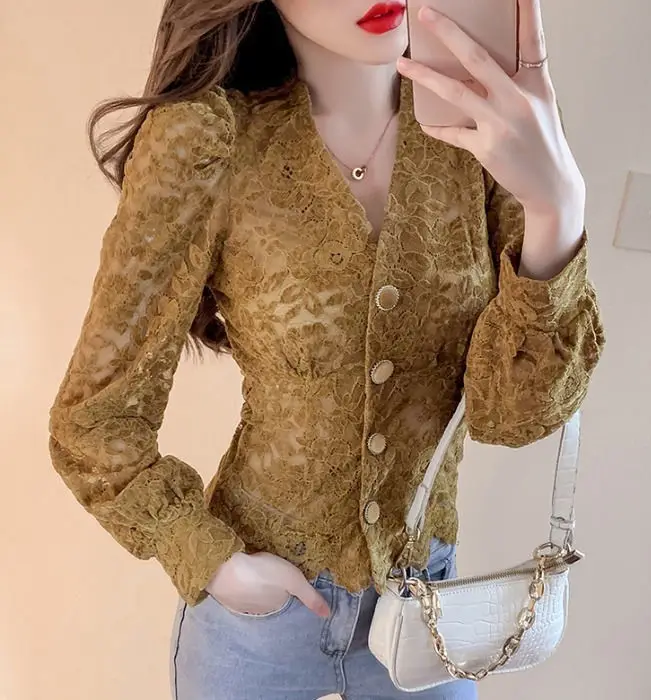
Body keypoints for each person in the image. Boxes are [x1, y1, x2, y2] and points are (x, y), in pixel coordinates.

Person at [48, 0, 604, 698]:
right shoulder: (209, 138)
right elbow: (93, 421)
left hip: (424, 609)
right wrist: (209, 559)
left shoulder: (480, 132)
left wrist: (558, 212)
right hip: (258, 622)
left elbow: (509, 419)